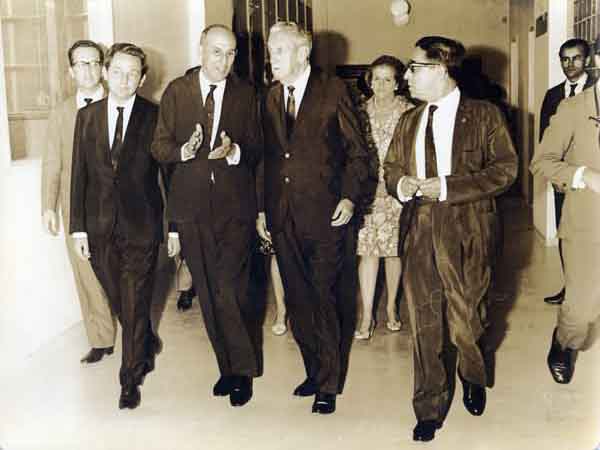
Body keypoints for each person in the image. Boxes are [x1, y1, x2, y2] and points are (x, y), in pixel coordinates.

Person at [383, 36, 517, 441]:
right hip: (419, 226)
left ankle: (472, 372)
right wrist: (401, 184)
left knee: (467, 321)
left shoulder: (484, 115)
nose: (407, 76)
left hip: (468, 227)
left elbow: (505, 170)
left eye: (415, 67)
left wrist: (446, 186)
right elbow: (391, 167)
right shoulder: (409, 120)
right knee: (423, 320)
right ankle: (429, 405)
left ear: (441, 70)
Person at [256, 21, 369, 415]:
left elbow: (358, 153)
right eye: (270, 50)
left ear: (303, 54)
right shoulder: (271, 96)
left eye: (279, 50)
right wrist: (262, 209)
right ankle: (313, 370)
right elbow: (268, 159)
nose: (272, 58)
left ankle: (329, 383)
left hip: (327, 215)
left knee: (325, 296)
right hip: (282, 215)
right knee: (298, 297)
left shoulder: (333, 90)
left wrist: (350, 198)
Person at [152, 24, 263, 408]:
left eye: (231, 53)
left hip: (235, 207)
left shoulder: (247, 94)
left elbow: (257, 147)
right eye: (217, 51)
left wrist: (234, 151)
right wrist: (182, 151)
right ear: (201, 48)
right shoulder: (177, 91)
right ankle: (226, 368)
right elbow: (159, 146)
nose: (224, 61)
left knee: (230, 288)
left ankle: (244, 370)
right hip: (191, 206)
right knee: (210, 292)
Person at [70, 42, 163, 410]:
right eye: (118, 72)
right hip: (99, 227)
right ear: (106, 74)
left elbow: (168, 173)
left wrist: (173, 228)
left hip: (142, 225)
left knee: (136, 299)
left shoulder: (154, 116)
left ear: (142, 79)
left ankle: (130, 378)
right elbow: (79, 175)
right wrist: (78, 228)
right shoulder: (87, 117)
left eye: (133, 73)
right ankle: (145, 339)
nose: (125, 80)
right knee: (120, 297)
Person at [530, 35, 600, 386]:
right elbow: (541, 162)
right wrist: (582, 175)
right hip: (588, 222)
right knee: (583, 308)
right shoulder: (573, 108)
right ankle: (565, 341)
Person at [41, 40, 117, 364]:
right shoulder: (61, 114)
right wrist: (48, 206)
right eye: (81, 64)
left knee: (121, 272)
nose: (89, 69)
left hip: (117, 206)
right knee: (86, 274)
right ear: (71, 71)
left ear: (103, 68)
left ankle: (136, 331)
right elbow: (52, 163)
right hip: (78, 209)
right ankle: (101, 339)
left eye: (94, 62)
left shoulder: (118, 104)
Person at [354, 55, 414, 340]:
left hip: (396, 193)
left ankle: (390, 308)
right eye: (376, 79)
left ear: (397, 83)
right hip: (367, 193)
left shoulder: (408, 112)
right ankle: (367, 315)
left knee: (393, 252)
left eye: (387, 79)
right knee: (368, 253)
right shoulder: (359, 112)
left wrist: (394, 185)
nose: (380, 85)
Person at [539, 38, 595, 305]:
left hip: (592, 180)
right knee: (567, 234)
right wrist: (555, 176)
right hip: (563, 180)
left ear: (588, 60)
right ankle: (570, 288)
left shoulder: (595, 92)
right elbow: (544, 141)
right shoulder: (552, 96)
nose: (570, 64)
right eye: (565, 59)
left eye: (576, 58)